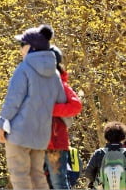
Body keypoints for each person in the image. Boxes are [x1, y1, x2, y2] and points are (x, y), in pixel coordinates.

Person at [0, 24, 66, 190]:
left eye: (22, 45)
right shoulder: (55, 74)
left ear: (32, 47)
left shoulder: (24, 68)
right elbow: (61, 102)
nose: (20, 50)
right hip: (41, 135)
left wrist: (1, 124)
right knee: (38, 176)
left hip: (19, 133)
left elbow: (13, 101)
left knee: (19, 176)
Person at [45, 46, 82, 189]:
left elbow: (75, 106)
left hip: (55, 145)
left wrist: (50, 110)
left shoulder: (61, 84)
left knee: (59, 183)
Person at [85, 121, 126, 189]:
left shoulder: (99, 153)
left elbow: (88, 172)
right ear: (123, 136)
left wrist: (95, 182)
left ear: (106, 136)